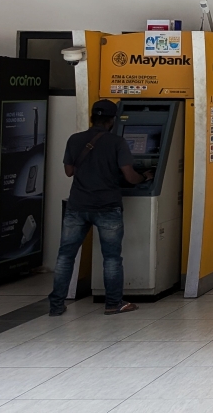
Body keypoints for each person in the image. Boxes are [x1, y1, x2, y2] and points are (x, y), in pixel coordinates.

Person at [48, 99, 152, 316]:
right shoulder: (117, 142)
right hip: (107, 207)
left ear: (92, 117)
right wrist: (145, 176)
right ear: (112, 120)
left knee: (65, 256)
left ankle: (56, 305)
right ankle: (114, 303)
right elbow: (130, 177)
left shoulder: (75, 140)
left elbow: (69, 171)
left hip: (77, 206)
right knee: (112, 257)